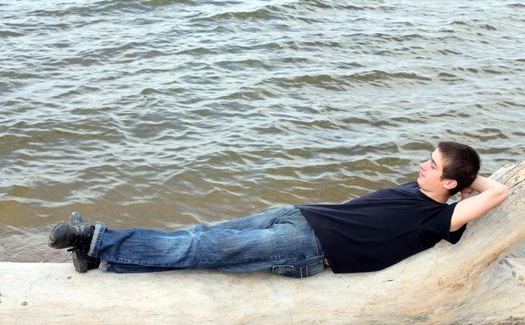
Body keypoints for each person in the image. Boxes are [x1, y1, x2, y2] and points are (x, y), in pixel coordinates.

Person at [48, 141, 509, 277]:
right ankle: (103, 259)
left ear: (451, 183)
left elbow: (498, 193)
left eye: (431, 166)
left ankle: (94, 239)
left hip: (307, 247)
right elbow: (461, 181)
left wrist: (468, 183)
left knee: (199, 248)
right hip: (299, 216)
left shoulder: (439, 216)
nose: (421, 167)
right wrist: (456, 179)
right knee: (200, 236)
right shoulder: (418, 190)